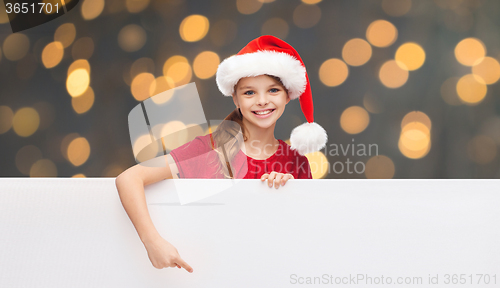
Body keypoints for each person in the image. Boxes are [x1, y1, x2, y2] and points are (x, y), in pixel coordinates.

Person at [115, 35, 327, 272]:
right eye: (249, 93)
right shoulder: (209, 150)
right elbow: (129, 178)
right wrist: (153, 242)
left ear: (287, 95)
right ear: (235, 98)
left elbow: (306, 234)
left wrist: (287, 195)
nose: (262, 101)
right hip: (216, 273)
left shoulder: (296, 162)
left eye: (273, 90)